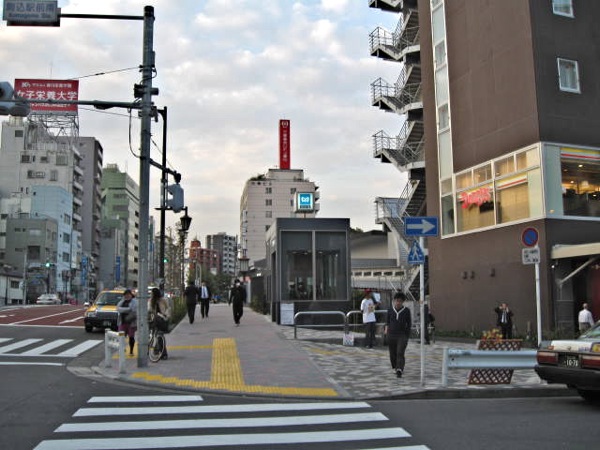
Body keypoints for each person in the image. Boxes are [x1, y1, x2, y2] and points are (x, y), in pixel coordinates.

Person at [385, 291, 411, 378]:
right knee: (392, 353)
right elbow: (387, 322)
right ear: (394, 301)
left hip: (402, 335)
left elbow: (409, 324)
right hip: (391, 335)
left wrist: (407, 336)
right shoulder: (390, 310)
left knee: (400, 352)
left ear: (403, 302)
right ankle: (395, 367)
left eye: (400, 301)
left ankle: (399, 369)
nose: (398, 302)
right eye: (397, 300)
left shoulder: (406, 311)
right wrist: (386, 332)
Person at [149, 287, 171, 359]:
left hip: (162, 320)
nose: (151, 295)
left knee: (160, 337)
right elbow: (149, 310)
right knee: (156, 337)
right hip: (155, 320)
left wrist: (166, 315)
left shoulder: (163, 300)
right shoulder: (151, 301)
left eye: (152, 293)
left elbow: (168, 308)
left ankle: (163, 353)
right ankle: (157, 350)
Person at [116, 289, 138, 355]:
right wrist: (128, 309)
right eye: (125, 294)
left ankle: (131, 351)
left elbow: (133, 310)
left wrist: (123, 310)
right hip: (122, 321)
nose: (127, 296)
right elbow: (118, 309)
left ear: (131, 295)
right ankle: (122, 349)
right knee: (121, 336)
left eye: (128, 294)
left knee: (131, 337)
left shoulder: (135, 302)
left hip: (131, 322)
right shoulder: (122, 301)